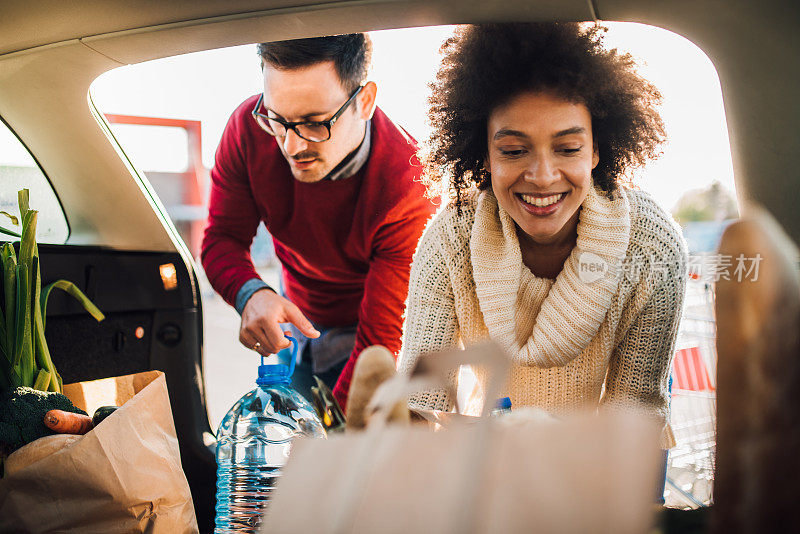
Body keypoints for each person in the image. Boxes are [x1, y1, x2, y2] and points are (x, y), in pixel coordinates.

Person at [398, 23, 687, 452]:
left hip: (596, 471)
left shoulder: (651, 245)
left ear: (596, 151)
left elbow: (635, 414)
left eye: (568, 149)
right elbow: (418, 403)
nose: (543, 177)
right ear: (485, 157)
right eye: (514, 151)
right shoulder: (453, 235)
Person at [202, 33, 436, 407]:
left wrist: (332, 433)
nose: (292, 147)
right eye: (278, 120)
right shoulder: (247, 129)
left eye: (314, 123)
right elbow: (222, 239)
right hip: (295, 314)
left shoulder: (408, 185)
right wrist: (250, 293)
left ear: (365, 101)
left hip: (371, 331)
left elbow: (380, 342)